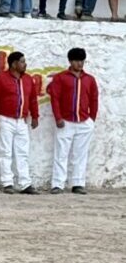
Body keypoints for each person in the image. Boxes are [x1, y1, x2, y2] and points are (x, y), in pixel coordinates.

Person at [47, 47, 99, 194]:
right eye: (77, 61)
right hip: (66, 121)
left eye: (82, 61)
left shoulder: (90, 79)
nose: (80, 64)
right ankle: (58, 184)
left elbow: (94, 99)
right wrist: (58, 117)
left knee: (80, 154)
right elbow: (55, 99)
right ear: (70, 61)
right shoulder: (61, 78)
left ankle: (78, 183)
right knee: (61, 153)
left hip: (84, 121)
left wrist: (92, 119)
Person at [0, 51, 40, 194]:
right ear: (14, 64)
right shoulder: (0, 79)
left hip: (22, 121)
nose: (25, 64)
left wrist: (35, 116)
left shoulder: (28, 79)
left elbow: (33, 99)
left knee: (23, 152)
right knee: (5, 152)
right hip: (4, 119)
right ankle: (7, 183)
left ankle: (25, 184)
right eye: (22, 61)